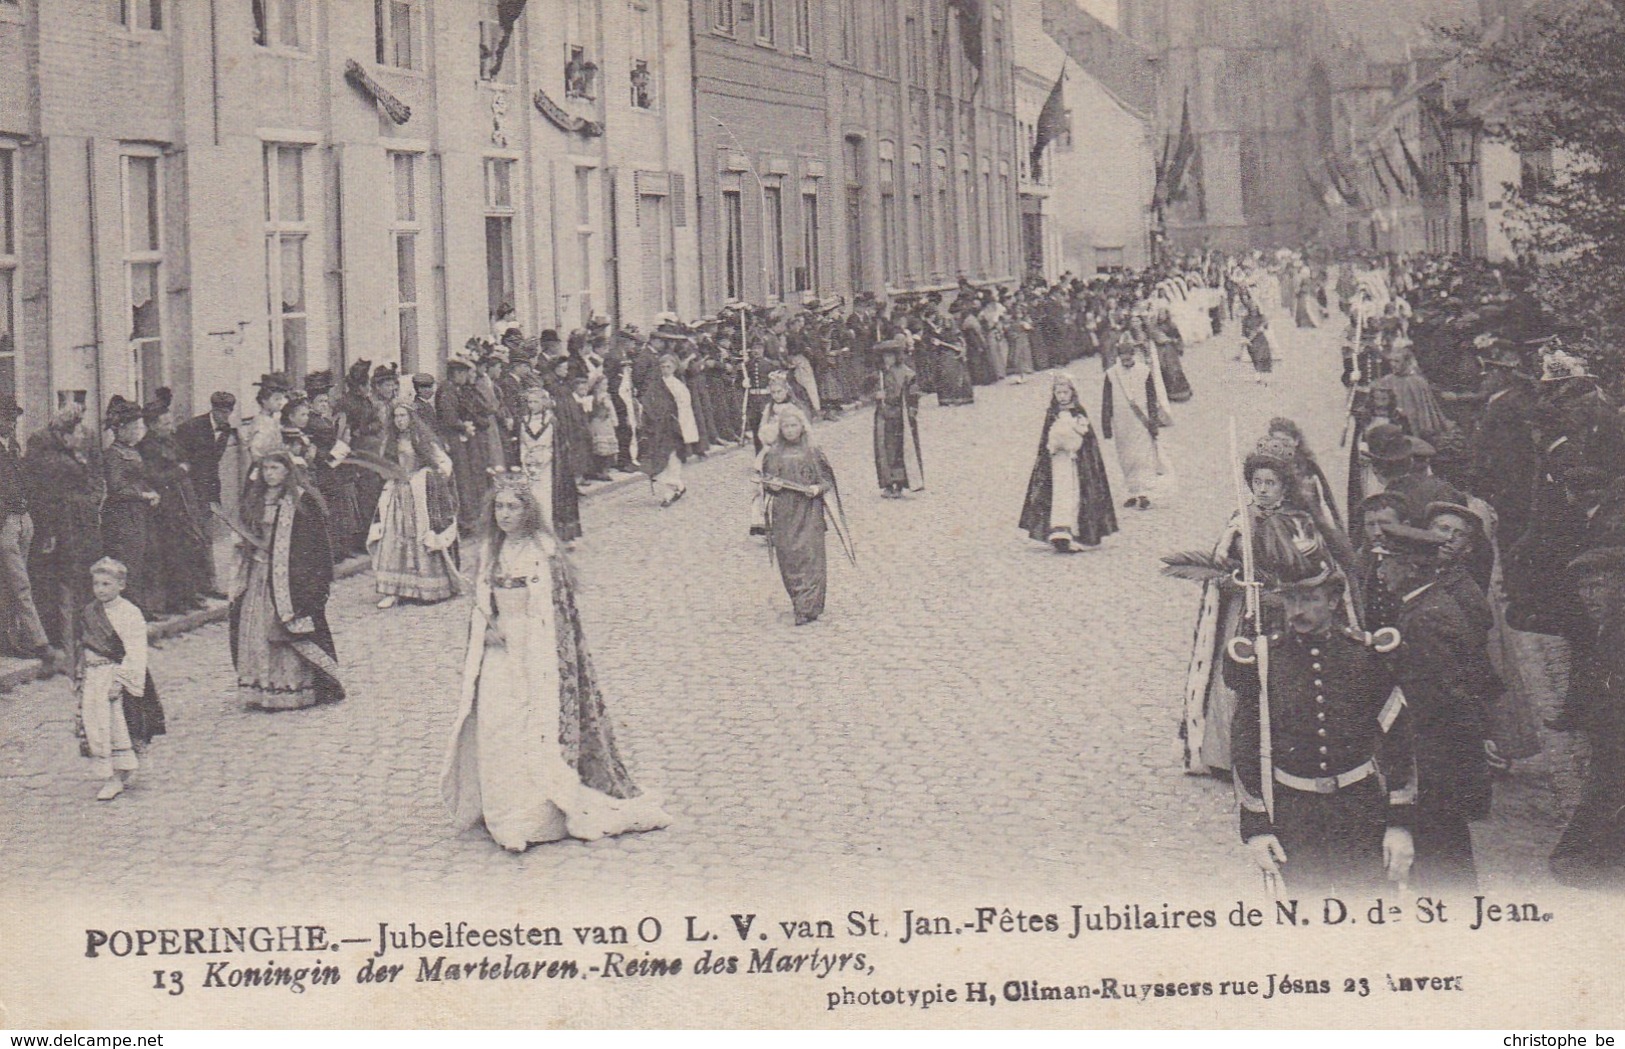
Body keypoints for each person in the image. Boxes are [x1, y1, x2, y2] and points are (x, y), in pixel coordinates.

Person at [440, 473, 670, 852]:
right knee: (497, 727)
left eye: (513, 507)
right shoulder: (490, 551)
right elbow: (482, 600)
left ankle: (536, 818)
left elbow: (555, 614)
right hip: (498, 652)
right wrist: (488, 626)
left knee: (534, 728)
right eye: (499, 506)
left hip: (536, 651)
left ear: (529, 511)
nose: (505, 514)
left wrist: (528, 644)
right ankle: (503, 815)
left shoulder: (542, 552)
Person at [1224, 557, 1415, 893]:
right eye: (1292, 600)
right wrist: (1257, 827)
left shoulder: (1365, 655)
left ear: (1333, 600)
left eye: (1310, 599)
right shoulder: (1266, 659)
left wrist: (1400, 825)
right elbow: (1245, 741)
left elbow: (1397, 739)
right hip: (1296, 816)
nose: (1298, 611)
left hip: (1359, 812)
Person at [1375, 522, 1493, 891]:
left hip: (1435, 762)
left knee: (1440, 860)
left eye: (1387, 563)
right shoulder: (1427, 604)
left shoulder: (1426, 617)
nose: (1380, 572)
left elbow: (1434, 701)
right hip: (1443, 758)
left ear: (1411, 568)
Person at [229, 451, 344, 711]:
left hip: (288, 579)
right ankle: (262, 687)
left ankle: (292, 687)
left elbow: (315, 545)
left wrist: (311, 580)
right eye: (266, 469)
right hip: (259, 575)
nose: (270, 474)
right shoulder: (255, 500)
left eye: (275, 468)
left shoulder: (301, 502)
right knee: (257, 630)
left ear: (287, 471)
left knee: (286, 629)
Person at [1549, 547, 1625, 886]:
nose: (1588, 596)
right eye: (1583, 588)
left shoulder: (1617, 632)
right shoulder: (1606, 626)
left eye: (1597, 586)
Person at [77, 557, 164, 801]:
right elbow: (82, 643)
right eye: (97, 584)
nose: (101, 590)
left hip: (116, 675)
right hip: (94, 676)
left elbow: (136, 650)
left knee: (118, 725)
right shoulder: (90, 611)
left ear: (121, 585)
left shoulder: (129, 612)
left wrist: (120, 681)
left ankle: (116, 775)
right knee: (96, 725)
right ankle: (111, 773)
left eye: (107, 584)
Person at [26, 407, 103, 667]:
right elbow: (44, 497)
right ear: (64, 433)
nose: (83, 435)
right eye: (78, 430)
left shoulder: (65, 452)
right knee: (64, 585)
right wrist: (48, 531)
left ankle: (74, 643)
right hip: (62, 529)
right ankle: (66, 646)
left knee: (72, 583)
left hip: (74, 526)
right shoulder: (50, 455)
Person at [761, 407, 849, 626]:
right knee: (789, 558)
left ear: (802, 427)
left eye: (794, 425)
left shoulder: (813, 452)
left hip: (809, 511)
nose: (790, 430)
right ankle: (798, 600)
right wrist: (773, 486)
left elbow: (827, 481)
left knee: (810, 557)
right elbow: (767, 482)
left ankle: (808, 605)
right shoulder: (773, 455)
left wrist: (817, 489)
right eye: (786, 426)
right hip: (784, 513)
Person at [369, 403, 459, 609]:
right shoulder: (390, 442)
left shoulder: (422, 440)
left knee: (420, 536)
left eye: (403, 416)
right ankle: (393, 590)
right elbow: (382, 466)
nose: (400, 420)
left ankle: (426, 588)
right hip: (398, 494)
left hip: (418, 496)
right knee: (393, 538)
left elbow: (444, 463)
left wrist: (425, 477)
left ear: (411, 417)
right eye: (396, 416)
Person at [1018, 373, 1118, 553]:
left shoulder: (1079, 413)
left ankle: (1077, 532)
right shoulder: (1052, 414)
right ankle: (1058, 530)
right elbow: (1045, 439)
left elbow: (1089, 443)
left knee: (1075, 495)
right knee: (1058, 495)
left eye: (1065, 392)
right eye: (1059, 393)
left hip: (1076, 465)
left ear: (1072, 392)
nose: (1062, 396)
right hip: (1057, 463)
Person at [136, 388, 211, 615]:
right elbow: (152, 477)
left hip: (183, 502)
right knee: (173, 554)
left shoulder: (170, 441)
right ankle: (177, 601)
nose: (171, 427)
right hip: (167, 507)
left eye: (170, 422)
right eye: (165, 423)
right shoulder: (147, 447)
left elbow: (187, 460)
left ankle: (190, 595)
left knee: (190, 549)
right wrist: (178, 472)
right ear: (152, 425)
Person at [0, 394, 60, 672]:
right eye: (5, 418)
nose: (10, 423)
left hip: (23, 519)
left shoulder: (12, 447)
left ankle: (10, 638)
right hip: (6, 523)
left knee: (10, 585)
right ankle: (40, 643)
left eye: (13, 418)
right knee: (20, 584)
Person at [101, 396, 159, 621]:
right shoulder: (113, 455)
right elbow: (117, 488)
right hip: (121, 514)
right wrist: (143, 495)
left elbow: (139, 479)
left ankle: (139, 606)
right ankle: (127, 610)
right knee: (126, 560)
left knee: (140, 559)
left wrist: (151, 492)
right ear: (121, 429)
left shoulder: (132, 451)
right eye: (134, 427)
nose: (138, 431)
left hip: (138, 513)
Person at [1100, 340, 1166, 511]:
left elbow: (1152, 397)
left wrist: (1153, 420)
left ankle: (1144, 493)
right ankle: (1133, 491)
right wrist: (1106, 425)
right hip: (1121, 422)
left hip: (1140, 421)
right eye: (1123, 359)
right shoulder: (1111, 374)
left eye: (1129, 358)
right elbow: (1106, 401)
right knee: (1126, 457)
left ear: (1134, 355)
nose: (1126, 361)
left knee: (1143, 456)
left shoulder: (1144, 372)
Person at [518, 384, 582, 544]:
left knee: (548, 498)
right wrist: (526, 459)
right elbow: (522, 444)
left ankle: (553, 534)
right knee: (532, 497)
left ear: (544, 403)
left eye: (536, 402)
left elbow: (557, 446)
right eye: (530, 402)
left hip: (550, 467)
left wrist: (545, 458)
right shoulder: (524, 422)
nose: (532, 405)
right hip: (530, 467)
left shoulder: (552, 421)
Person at [872, 338, 925, 499]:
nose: (886, 360)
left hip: (899, 417)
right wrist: (875, 395)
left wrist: (886, 397)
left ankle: (900, 484)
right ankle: (888, 483)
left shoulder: (907, 373)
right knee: (883, 450)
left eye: (890, 356)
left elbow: (912, 395)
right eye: (884, 357)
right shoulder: (881, 374)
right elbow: (869, 389)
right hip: (883, 416)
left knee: (897, 450)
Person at [174, 391, 236, 510]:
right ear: (214, 410)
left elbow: (215, 460)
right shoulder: (191, 426)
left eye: (228, 412)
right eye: (222, 412)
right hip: (190, 481)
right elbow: (180, 456)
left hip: (210, 481)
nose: (225, 416)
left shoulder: (226, 428)